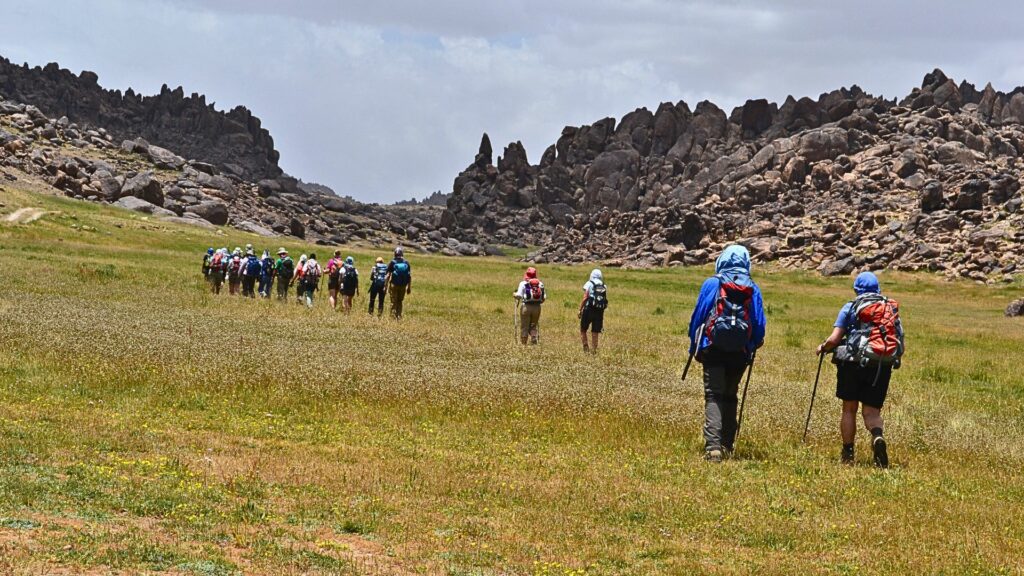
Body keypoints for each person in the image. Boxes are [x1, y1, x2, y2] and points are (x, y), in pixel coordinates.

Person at [687, 245, 766, 463]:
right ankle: (727, 444)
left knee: (714, 394)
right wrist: (750, 346)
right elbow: (759, 325)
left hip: (713, 347)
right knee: (731, 395)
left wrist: (693, 345)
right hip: (739, 352)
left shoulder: (712, 283)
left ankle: (713, 447)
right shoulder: (753, 288)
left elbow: (698, 316)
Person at [816, 271, 903, 468]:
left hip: (852, 364)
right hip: (880, 363)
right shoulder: (888, 308)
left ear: (857, 288)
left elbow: (834, 339)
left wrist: (823, 347)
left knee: (849, 409)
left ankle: (848, 453)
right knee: (872, 412)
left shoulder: (851, 306)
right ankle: (877, 436)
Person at [513, 267, 546, 345]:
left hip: (526, 307)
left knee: (525, 326)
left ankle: (524, 345)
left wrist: (514, 294)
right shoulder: (540, 284)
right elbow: (544, 298)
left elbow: (519, 296)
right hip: (537, 307)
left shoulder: (523, 283)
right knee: (533, 325)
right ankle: (534, 338)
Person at [578, 269, 608, 353]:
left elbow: (585, 297)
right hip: (599, 311)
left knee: (583, 329)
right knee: (595, 332)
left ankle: (586, 348)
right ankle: (594, 351)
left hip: (589, 309)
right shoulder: (604, 285)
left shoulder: (589, 283)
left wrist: (580, 309)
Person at [386, 247, 412, 319]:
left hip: (394, 285)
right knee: (400, 301)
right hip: (403, 285)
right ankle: (399, 316)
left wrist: (385, 286)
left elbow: (388, 275)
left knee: (393, 301)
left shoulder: (393, 262)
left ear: (395, 254)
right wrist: (409, 287)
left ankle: (392, 317)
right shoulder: (406, 262)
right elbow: (409, 276)